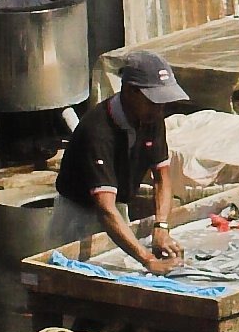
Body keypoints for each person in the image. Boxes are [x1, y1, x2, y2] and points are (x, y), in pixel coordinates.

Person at [51, 49, 190, 266]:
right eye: (153, 101)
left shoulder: (152, 119)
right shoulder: (97, 131)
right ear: (130, 91)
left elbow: (162, 177)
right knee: (79, 279)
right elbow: (105, 208)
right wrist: (148, 260)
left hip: (117, 207)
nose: (159, 109)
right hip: (77, 216)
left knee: (123, 270)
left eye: (163, 103)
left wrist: (161, 227)